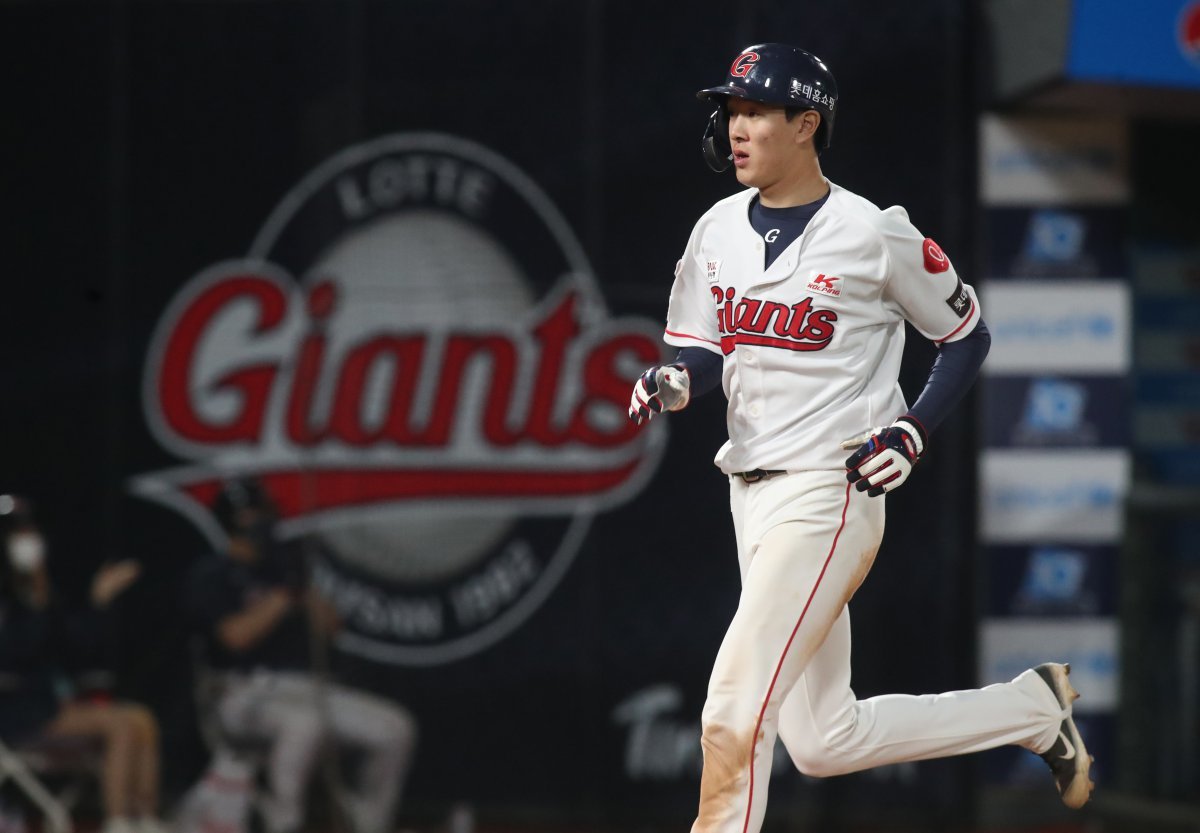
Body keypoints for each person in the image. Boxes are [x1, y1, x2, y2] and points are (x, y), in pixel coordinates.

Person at [627, 43, 1094, 833]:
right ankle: (1034, 708)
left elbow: (966, 336)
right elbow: (702, 350)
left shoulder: (872, 233)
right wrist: (676, 380)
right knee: (822, 737)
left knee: (732, 715)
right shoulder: (715, 230)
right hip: (750, 494)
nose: (734, 128)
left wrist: (911, 428)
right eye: (730, 112)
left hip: (829, 494)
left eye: (754, 112)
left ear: (806, 124)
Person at [184, 478, 416, 833]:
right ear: (236, 520)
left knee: (394, 729)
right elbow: (235, 638)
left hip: (304, 688)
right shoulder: (212, 574)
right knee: (305, 725)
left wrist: (301, 586)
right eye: (254, 517)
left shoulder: (282, 568)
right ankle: (286, 822)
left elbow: (331, 628)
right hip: (240, 693)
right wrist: (282, 596)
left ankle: (371, 824)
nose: (263, 525)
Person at [0, 494, 166, 833]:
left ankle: (144, 820)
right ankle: (117, 823)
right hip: (16, 714)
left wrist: (99, 599)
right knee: (119, 725)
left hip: (46, 706)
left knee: (142, 720)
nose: (26, 542)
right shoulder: (14, 600)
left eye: (27, 532)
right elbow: (18, 650)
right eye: (15, 534)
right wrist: (38, 602)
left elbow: (78, 646)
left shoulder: (38, 592)